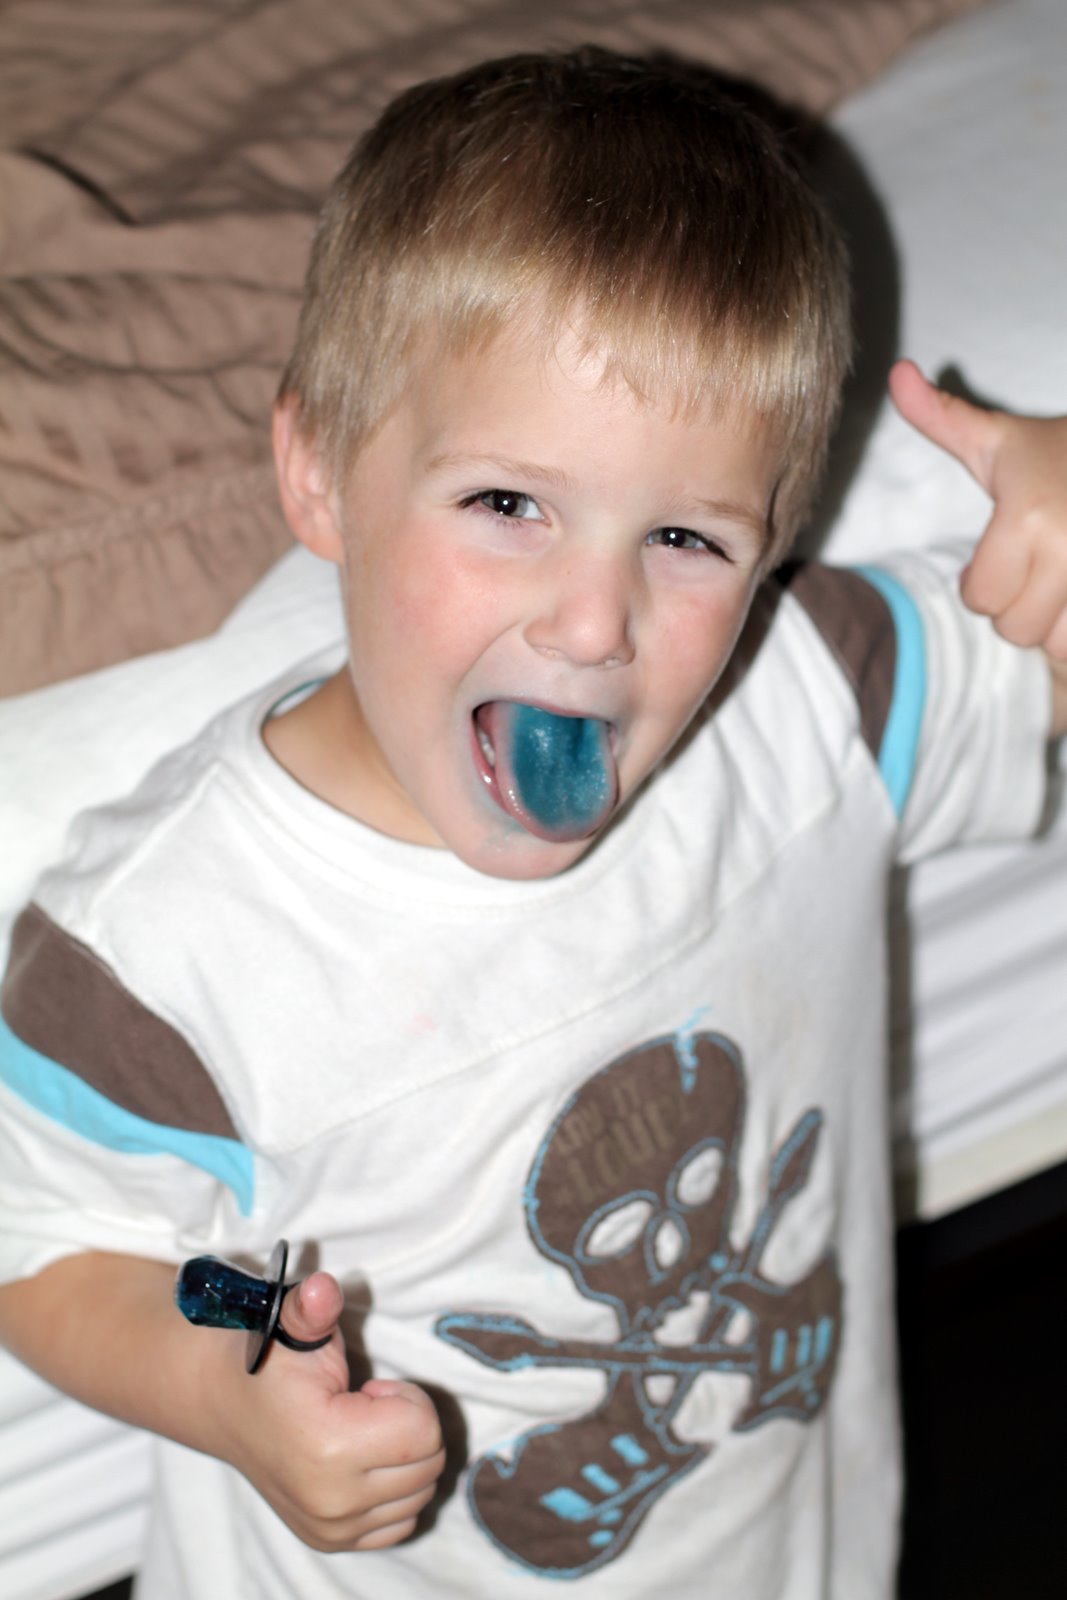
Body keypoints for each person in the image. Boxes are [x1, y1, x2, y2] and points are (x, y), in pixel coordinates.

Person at [0, 47, 1065, 1600]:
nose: (593, 623)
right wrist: (230, 1370)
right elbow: (57, 1247)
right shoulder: (169, 946)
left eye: (689, 538)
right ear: (319, 475)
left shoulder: (810, 701)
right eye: (509, 506)